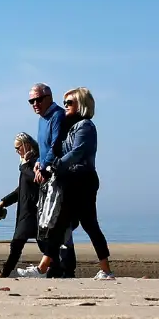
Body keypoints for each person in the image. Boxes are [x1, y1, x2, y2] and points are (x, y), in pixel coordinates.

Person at [52, 87, 115, 280]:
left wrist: (56, 165)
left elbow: (76, 152)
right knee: (65, 223)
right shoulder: (69, 127)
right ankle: (51, 265)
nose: (65, 107)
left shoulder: (85, 126)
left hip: (83, 179)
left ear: (82, 104)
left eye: (69, 103)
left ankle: (105, 269)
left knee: (88, 224)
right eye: (64, 103)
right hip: (71, 178)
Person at [26, 83, 69, 275]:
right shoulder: (41, 119)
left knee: (55, 222)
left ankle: (59, 267)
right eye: (31, 101)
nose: (35, 104)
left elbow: (56, 144)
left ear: (49, 97)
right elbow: (44, 148)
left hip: (57, 175)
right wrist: (37, 162)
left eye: (38, 99)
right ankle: (57, 267)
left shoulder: (57, 115)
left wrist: (44, 167)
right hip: (46, 173)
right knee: (50, 224)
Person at [0, 133, 41, 277]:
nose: (17, 151)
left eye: (18, 147)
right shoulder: (26, 163)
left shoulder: (35, 161)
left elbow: (34, 178)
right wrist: (4, 201)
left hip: (33, 209)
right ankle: (6, 272)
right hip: (26, 209)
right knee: (21, 243)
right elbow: (21, 189)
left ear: (27, 145)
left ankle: (6, 272)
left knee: (19, 242)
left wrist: (24, 165)